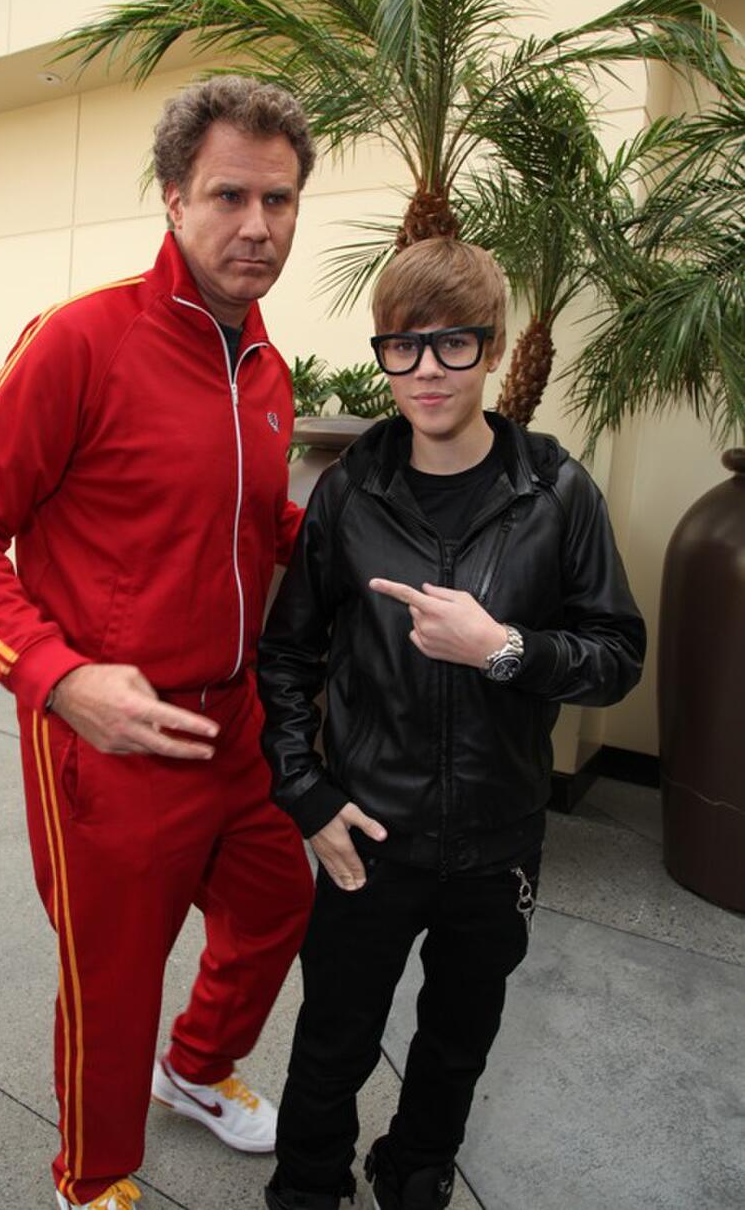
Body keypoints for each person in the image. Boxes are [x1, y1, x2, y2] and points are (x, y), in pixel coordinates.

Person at [0, 76, 317, 1210]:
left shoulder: (267, 369)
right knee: (113, 978)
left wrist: (377, 543)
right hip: (110, 737)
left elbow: (253, 524)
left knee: (276, 903)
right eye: (230, 196)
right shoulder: (83, 339)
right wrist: (59, 679)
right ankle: (92, 1181)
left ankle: (194, 1069)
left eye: (280, 199)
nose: (258, 225)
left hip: (235, 721)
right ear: (174, 199)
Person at [257, 237, 646, 1210]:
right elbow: (288, 656)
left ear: (493, 346)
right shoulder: (349, 494)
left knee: (457, 1039)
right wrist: (307, 794)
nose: (426, 370)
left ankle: (416, 1170)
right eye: (403, 346)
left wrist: (505, 648)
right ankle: (306, 1187)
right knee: (333, 1037)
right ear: (384, 353)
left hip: (496, 839)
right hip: (368, 833)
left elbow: (616, 655)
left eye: (453, 344)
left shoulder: (554, 492)